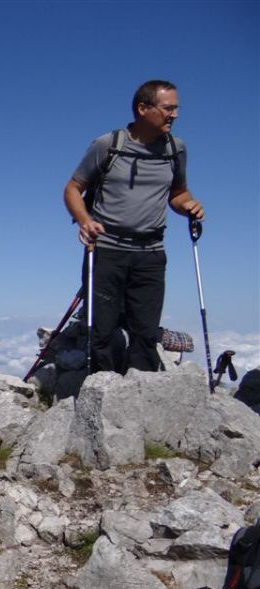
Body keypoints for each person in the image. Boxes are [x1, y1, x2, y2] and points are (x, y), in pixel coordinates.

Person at [64, 79, 205, 373]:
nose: (175, 114)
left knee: (145, 331)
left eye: (177, 108)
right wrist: (85, 221)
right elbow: (74, 188)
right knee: (102, 330)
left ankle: (139, 397)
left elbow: (178, 194)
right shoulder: (109, 145)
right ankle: (102, 391)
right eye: (168, 108)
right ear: (143, 108)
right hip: (106, 249)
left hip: (151, 252)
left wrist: (189, 206)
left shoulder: (176, 150)